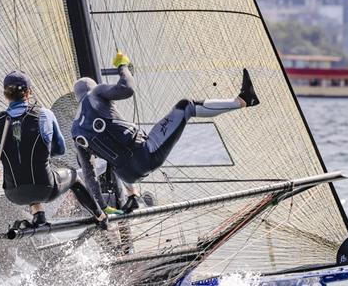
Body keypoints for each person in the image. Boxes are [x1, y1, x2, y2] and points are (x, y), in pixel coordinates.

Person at [71, 51, 260, 186]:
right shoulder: (95, 93)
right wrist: (123, 66)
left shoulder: (76, 130)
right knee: (186, 106)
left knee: (116, 153)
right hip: (146, 154)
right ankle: (243, 100)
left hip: (128, 176)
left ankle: (132, 197)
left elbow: (88, 172)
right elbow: (127, 88)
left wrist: (101, 208)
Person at [0, 71, 107, 229]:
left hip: (14, 194)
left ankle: (39, 215)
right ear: (29, 92)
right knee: (74, 177)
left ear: (5, 94)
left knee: (25, 173)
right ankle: (101, 216)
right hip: (46, 189)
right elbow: (60, 149)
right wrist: (42, 153)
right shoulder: (45, 115)